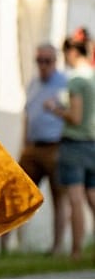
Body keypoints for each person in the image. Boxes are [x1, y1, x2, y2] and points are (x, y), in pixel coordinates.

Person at [17, 44, 68, 253]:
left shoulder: (65, 83)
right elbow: (28, 115)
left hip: (55, 146)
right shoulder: (33, 84)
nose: (43, 65)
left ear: (55, 61)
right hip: (34, 146)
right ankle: (8, 244)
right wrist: (24, 142)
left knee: (59, 197)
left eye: (47, 61)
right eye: (40, 61)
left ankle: (57, 247)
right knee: (19, 194)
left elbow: (72, 115)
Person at [53, 29, 95, 256]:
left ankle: (76, 251)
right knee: (92, 197)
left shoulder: (77, 79)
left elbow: (76, 117)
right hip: (92, 143)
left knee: (76, 199)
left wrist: (56, 110)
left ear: (71, 51)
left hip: (75, 143)